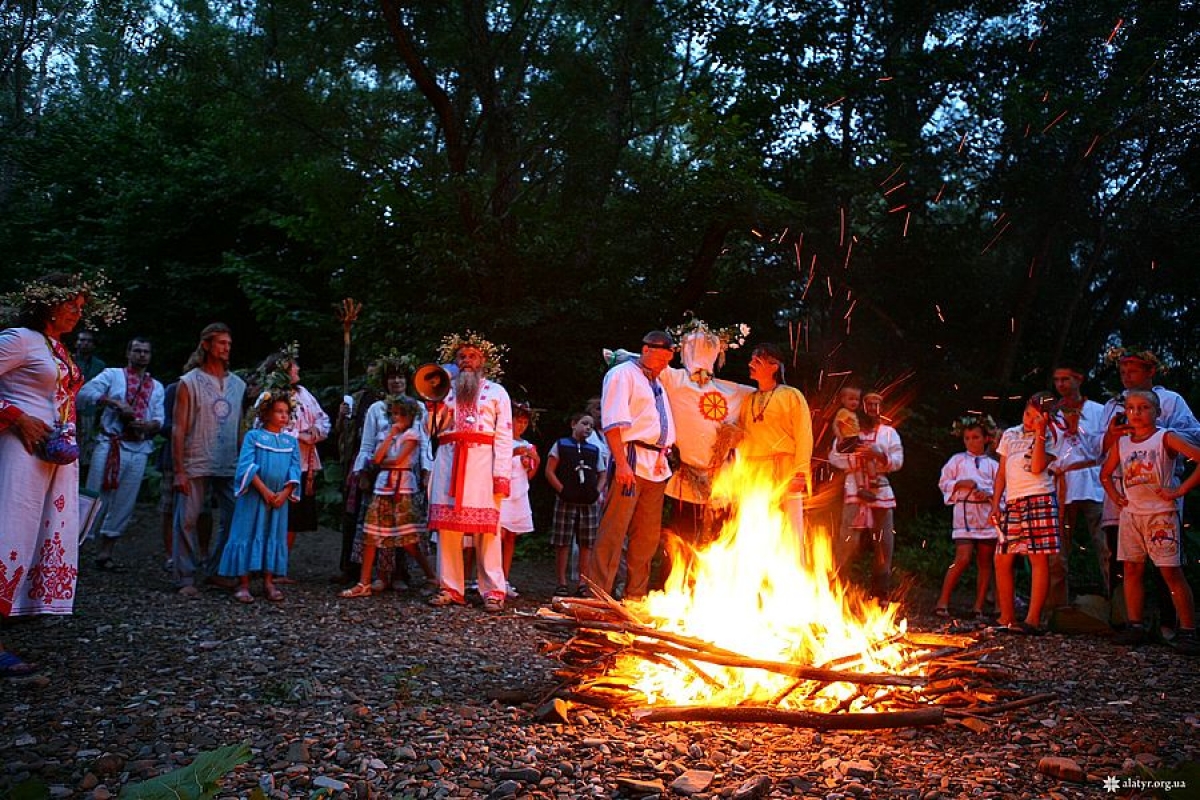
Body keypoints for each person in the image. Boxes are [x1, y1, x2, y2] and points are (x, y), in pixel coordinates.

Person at [0, 271, 123, 676]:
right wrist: (15, 417)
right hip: (20, 451)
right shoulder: (18, 338)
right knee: (8, 532)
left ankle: (14, 613)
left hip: (52, 458)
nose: (78, 313)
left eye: (81, 308)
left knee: (35, 535)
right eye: (72, 304)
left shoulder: (57, 348)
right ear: (48, 304)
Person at [1099, 389, 1200, 655]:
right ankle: (1135, 624)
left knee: (1170, 571)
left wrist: (1178, 491)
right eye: (1131, 408)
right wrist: (1116, 496)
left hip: (1161, 514)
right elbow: (1105, 474)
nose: (1136, 413)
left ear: (1157, 412)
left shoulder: (1164, 437)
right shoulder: (1121, 443)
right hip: (1132, 514)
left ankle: (1188, 629)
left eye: (1143, 407)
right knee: (1132, 569)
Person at [424, 332, 513, 612]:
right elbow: (430, 431)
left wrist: (501, 474)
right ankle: (450, 586)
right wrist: (433, 406)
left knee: (488, 529)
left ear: (482, 360)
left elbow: (504, 435)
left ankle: (493, 589)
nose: (466, 361)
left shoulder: (497, 393)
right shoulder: (443, 392)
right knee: (448, 528)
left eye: (472, 355)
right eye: (461, 356)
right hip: (449, 461)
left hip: (483, 465)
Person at [658, 319, 753, 569]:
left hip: (721, 480)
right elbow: (647, 362)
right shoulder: (675, 380)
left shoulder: (730, 391)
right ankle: (673, 587)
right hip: (686, 477)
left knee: (719, 541)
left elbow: (764, 394)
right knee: (680, 538)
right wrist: (618, 356)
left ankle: (711, 588)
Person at [591, 330, 678, 601]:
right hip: (631, 457)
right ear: (647, 350)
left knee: (647, 536)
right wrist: (621, 463)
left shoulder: (657, 381)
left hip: (656, 464)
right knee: (614, 530)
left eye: (669, 358)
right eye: (663, 356)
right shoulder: (622, 375)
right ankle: (598, 594)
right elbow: (614, 422)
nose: (666, 363)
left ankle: (635, 594)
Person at [172, 323, 247, 597]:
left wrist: (245, 463)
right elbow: (178, 428)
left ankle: (217, 569)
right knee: (188, 519)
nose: (226, 348)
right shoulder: (189, 382)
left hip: (229, 461)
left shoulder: (238, 384)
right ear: (206, 345)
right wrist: (179, 469)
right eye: (221, 343)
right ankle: (185, 575)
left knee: (235, 515)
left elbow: (240, 426)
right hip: (196, 457)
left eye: (229, 343)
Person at [77, 337, 165, 569]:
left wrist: (148, 427)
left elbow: (159, 419)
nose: (142, 355)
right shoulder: (112, 375)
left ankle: (106, 553)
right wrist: (113, 403)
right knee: (95, 494)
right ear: (128, 353)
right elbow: (84, 393)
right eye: (137, 350)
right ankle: (74, 546)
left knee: (125, 500)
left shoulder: (156, 386)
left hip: (138, 447)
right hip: (110, 443)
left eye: (146, 351)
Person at [341, 395, 435, 598]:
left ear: (411, 417)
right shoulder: (387, 434)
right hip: (382, 486)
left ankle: (431, 576)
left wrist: (382, 463)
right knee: (371, 533)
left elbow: (397, 460)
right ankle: (364, 582)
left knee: (408, 538)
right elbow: (376, 457)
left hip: (403, 488)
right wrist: (390, 437)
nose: (396, 418)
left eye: (401, 414)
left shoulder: (412, 435)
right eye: (393, 414)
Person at [217, 392, 301, 603]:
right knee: (247, 532)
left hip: (278, 500)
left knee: (272, 534)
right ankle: (243, 583)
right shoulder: (253, 437)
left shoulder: (290, 441)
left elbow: (295, 469)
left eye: (286, 412)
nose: (283, 416)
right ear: (266, 413)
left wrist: (284, 493)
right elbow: (246, 465)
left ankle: (268, 582)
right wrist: (264, 491)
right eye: (278, 411)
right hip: (255, 497)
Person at [989, 392, 1060, 635]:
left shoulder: (1051, 435)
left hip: (1039, 497)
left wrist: (1040, 432)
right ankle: (1006, 616)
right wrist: (995, 502)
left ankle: (1032, 619)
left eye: (1036, 417)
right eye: (1028, 414)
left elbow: (1038, 465)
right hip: (1013, 500)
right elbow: (1002, 473)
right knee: (1002, 558)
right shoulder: (1010, 434)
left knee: (1038, 557)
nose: (1030, 420)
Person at [737, 343, 813, 555]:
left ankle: (792, 575)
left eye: (757, 361)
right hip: (754, 472)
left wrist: (800, 473)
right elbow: (743, 436)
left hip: (784, 469)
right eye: (752, 360)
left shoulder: (792, 395)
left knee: (789, 527)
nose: (750, 364)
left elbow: (804, 435)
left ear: (773, 367)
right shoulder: (748, 399)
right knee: (754, 527)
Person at [257, 345, 330, 556]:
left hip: (303, 463)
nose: (297, 369)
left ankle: (280, 563)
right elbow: (261, 429)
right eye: (293, 366)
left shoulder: (304, 393)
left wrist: (316, 431)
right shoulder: (268, 397)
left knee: (293, 517)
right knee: (273, 512)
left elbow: (322, 419)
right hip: (277, 463)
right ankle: (263, 560)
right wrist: (299, 436)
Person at [1047, 364, 1108, 604]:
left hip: (1092, 480)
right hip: (1062, 482)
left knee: (1105, 545)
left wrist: (1078, 429)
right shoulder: (1052, 413)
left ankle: (1119, 607)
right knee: (1058, 549)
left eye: (1065, 379)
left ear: (1079, 379)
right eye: (1057, 380)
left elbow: (1105, 445)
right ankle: (1056, 606)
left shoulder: (1099, 410)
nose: (1060, 384)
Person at [829, 391, 901, 597]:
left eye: (876, 405)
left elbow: (898, 460)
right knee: (848, 542)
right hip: (855, 490)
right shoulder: (850, 428)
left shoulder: (889, 433)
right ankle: (839, 592)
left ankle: (881, 594)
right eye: (868, 405)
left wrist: (878, 455)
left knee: (884, 543)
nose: (872, 409)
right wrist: (856, 459)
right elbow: (834, 458)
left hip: (881, 491)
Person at [933, 415, 999, 619]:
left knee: (985, 561)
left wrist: (988, 494)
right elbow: (944, 482)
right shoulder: (957, 460)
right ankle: (942, 601)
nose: (971, 442)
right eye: (967, 438)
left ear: (986, 438)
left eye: (975, 437)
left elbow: (1002, 489)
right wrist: (961, 484)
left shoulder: (994, 465)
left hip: (986, 517)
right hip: (964, 515)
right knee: (962, 558)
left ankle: (978, 607)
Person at [546, 412, 607, 595]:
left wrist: (596, 492)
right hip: (566, 500)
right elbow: (549, 471)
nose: (588, 427)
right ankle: (562, 583)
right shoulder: (561, 445)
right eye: (584, 423)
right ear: (574, 424)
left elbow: (602, 472)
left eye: (591, 425)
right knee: (562, 542)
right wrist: (562, 490)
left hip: (588, 503)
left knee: (587, 543)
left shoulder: (593, 450)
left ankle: (582, 583)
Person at [500, 401, 539, 597]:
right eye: (518, 421)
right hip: (504, 492)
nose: (521, 425)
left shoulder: (527, 445)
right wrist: (515, 453)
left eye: (525, 422)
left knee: (511, 537)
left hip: (519, 492)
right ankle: (493, 578)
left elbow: (530, 475)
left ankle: (505, 578)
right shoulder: (503, 442)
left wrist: (533, 461)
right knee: (499, 535)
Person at [833, 386, 875, 500]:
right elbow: (835, 424)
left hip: (855, 439)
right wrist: (839, 436)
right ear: (843, 400)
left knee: (867, 455)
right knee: (857, 462)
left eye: (857, 399)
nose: (854, 402)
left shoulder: (852, 414)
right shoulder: (843, 412)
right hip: (849, 440)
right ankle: (863, 486)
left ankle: (872, 480)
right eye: (851, 399)